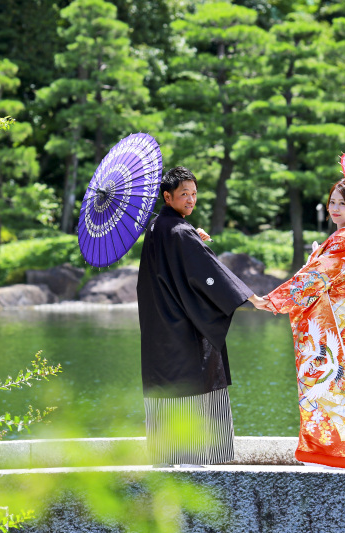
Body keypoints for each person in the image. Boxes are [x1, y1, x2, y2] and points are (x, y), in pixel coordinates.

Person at [250, 178, 345, 469]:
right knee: (343, 391)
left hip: (332, 331)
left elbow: (312, 281)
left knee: (326, 390)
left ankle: (326, 455)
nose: (335, 208)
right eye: (332, 201)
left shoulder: (341, 244)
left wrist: (272, 300)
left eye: (343, 203)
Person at [137, 166, 254, 467]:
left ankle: (166, 455)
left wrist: (193, 237)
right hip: (181, 329)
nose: (191, 200)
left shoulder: (156, 227)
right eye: (184, 194)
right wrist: (247, 296)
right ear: (167, 196)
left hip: (158, 327)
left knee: (165, 385)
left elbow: (180, 258)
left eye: (194, 194)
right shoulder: (179, 230)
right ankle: (196, 457)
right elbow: (206, 272)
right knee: (195, 378)